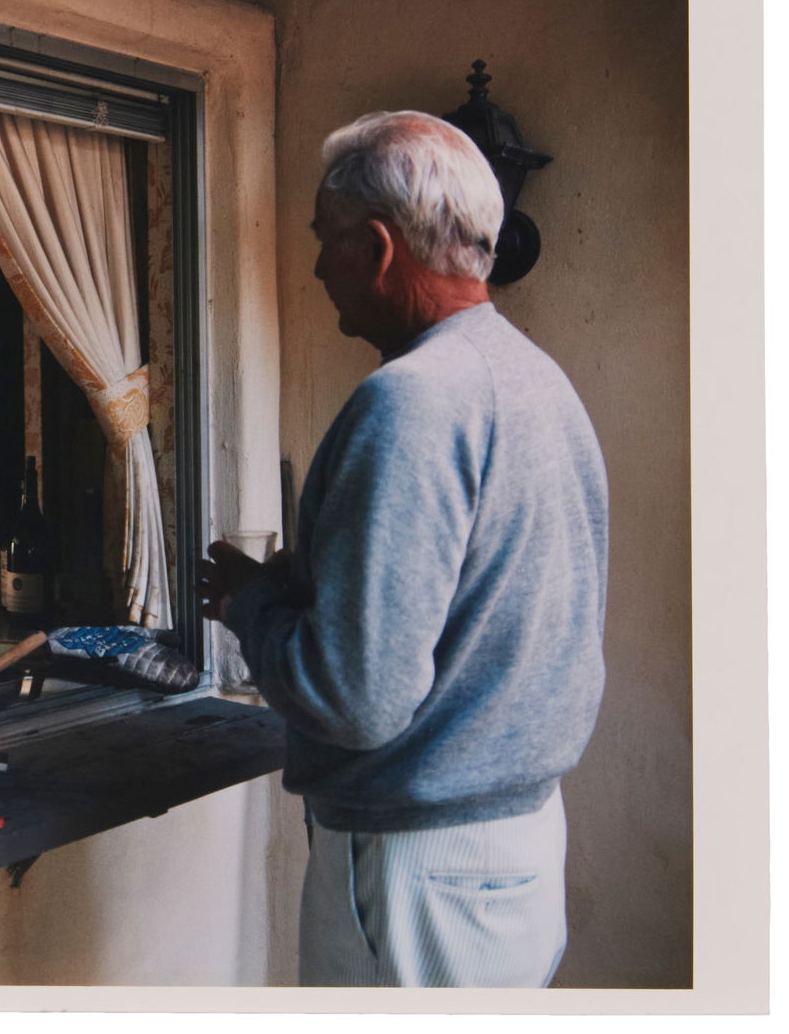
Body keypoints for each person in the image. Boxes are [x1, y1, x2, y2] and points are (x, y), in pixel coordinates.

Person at [199, 110, 607, 988]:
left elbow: (358, 699)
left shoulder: (410, 402)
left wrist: (250, 605)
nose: (314, 266)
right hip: (514, 845)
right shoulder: (538, 379)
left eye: (323, 239)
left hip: (421, 865)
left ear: (378, 248)